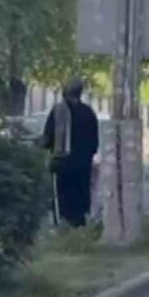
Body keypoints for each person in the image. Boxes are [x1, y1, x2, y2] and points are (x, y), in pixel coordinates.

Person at [42, 79, 100, 227]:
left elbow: (48, 137)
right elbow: (95, 140)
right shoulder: (88, 112)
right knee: (82, 193)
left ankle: (65, 223)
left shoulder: (58, 111)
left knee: (65, 195)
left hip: (63, 161)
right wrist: (89, 154)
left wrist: (47, 150)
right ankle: (81, 223)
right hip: (83, 163)